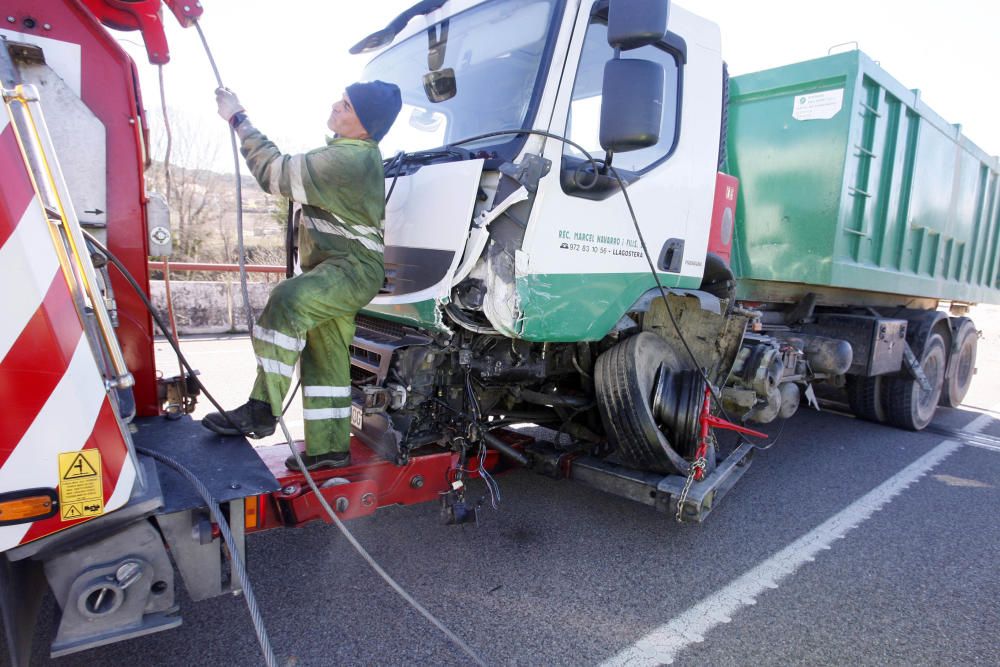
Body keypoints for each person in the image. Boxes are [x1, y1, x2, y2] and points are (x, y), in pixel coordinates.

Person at [202, 82, 402, 471]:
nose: (335, 105)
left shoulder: (348, 161)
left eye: (345, 104)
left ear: (364, 124)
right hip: (342, 270)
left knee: (289, 300)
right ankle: (329, 450)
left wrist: (237, 118)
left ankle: (262, 409)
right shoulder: (348, 155)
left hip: (350, 269)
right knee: (324, 360)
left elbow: (273, 172)